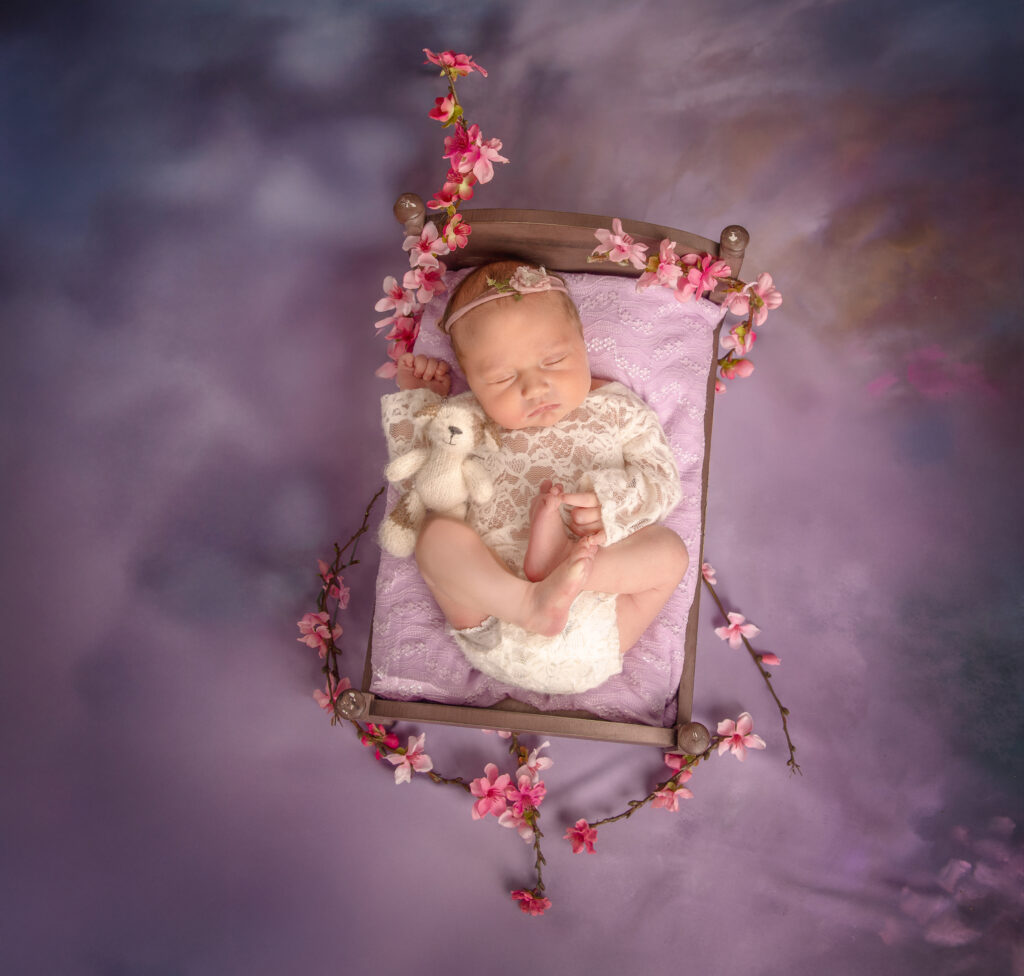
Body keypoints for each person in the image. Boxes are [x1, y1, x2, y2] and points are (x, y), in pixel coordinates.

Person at [383, 260, 688, 694]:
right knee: (435, 536)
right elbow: (423, 477)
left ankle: (564, 572)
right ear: (471, 383)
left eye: (554, 359)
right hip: (493, 617)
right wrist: (421, 401)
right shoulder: (468, 417)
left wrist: (611, 504)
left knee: (670, 553)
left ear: (583, 344)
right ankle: (529, 601)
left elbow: (662, 479)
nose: (534, 387)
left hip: (600, 620)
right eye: (503, 378)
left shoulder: (619, 409)